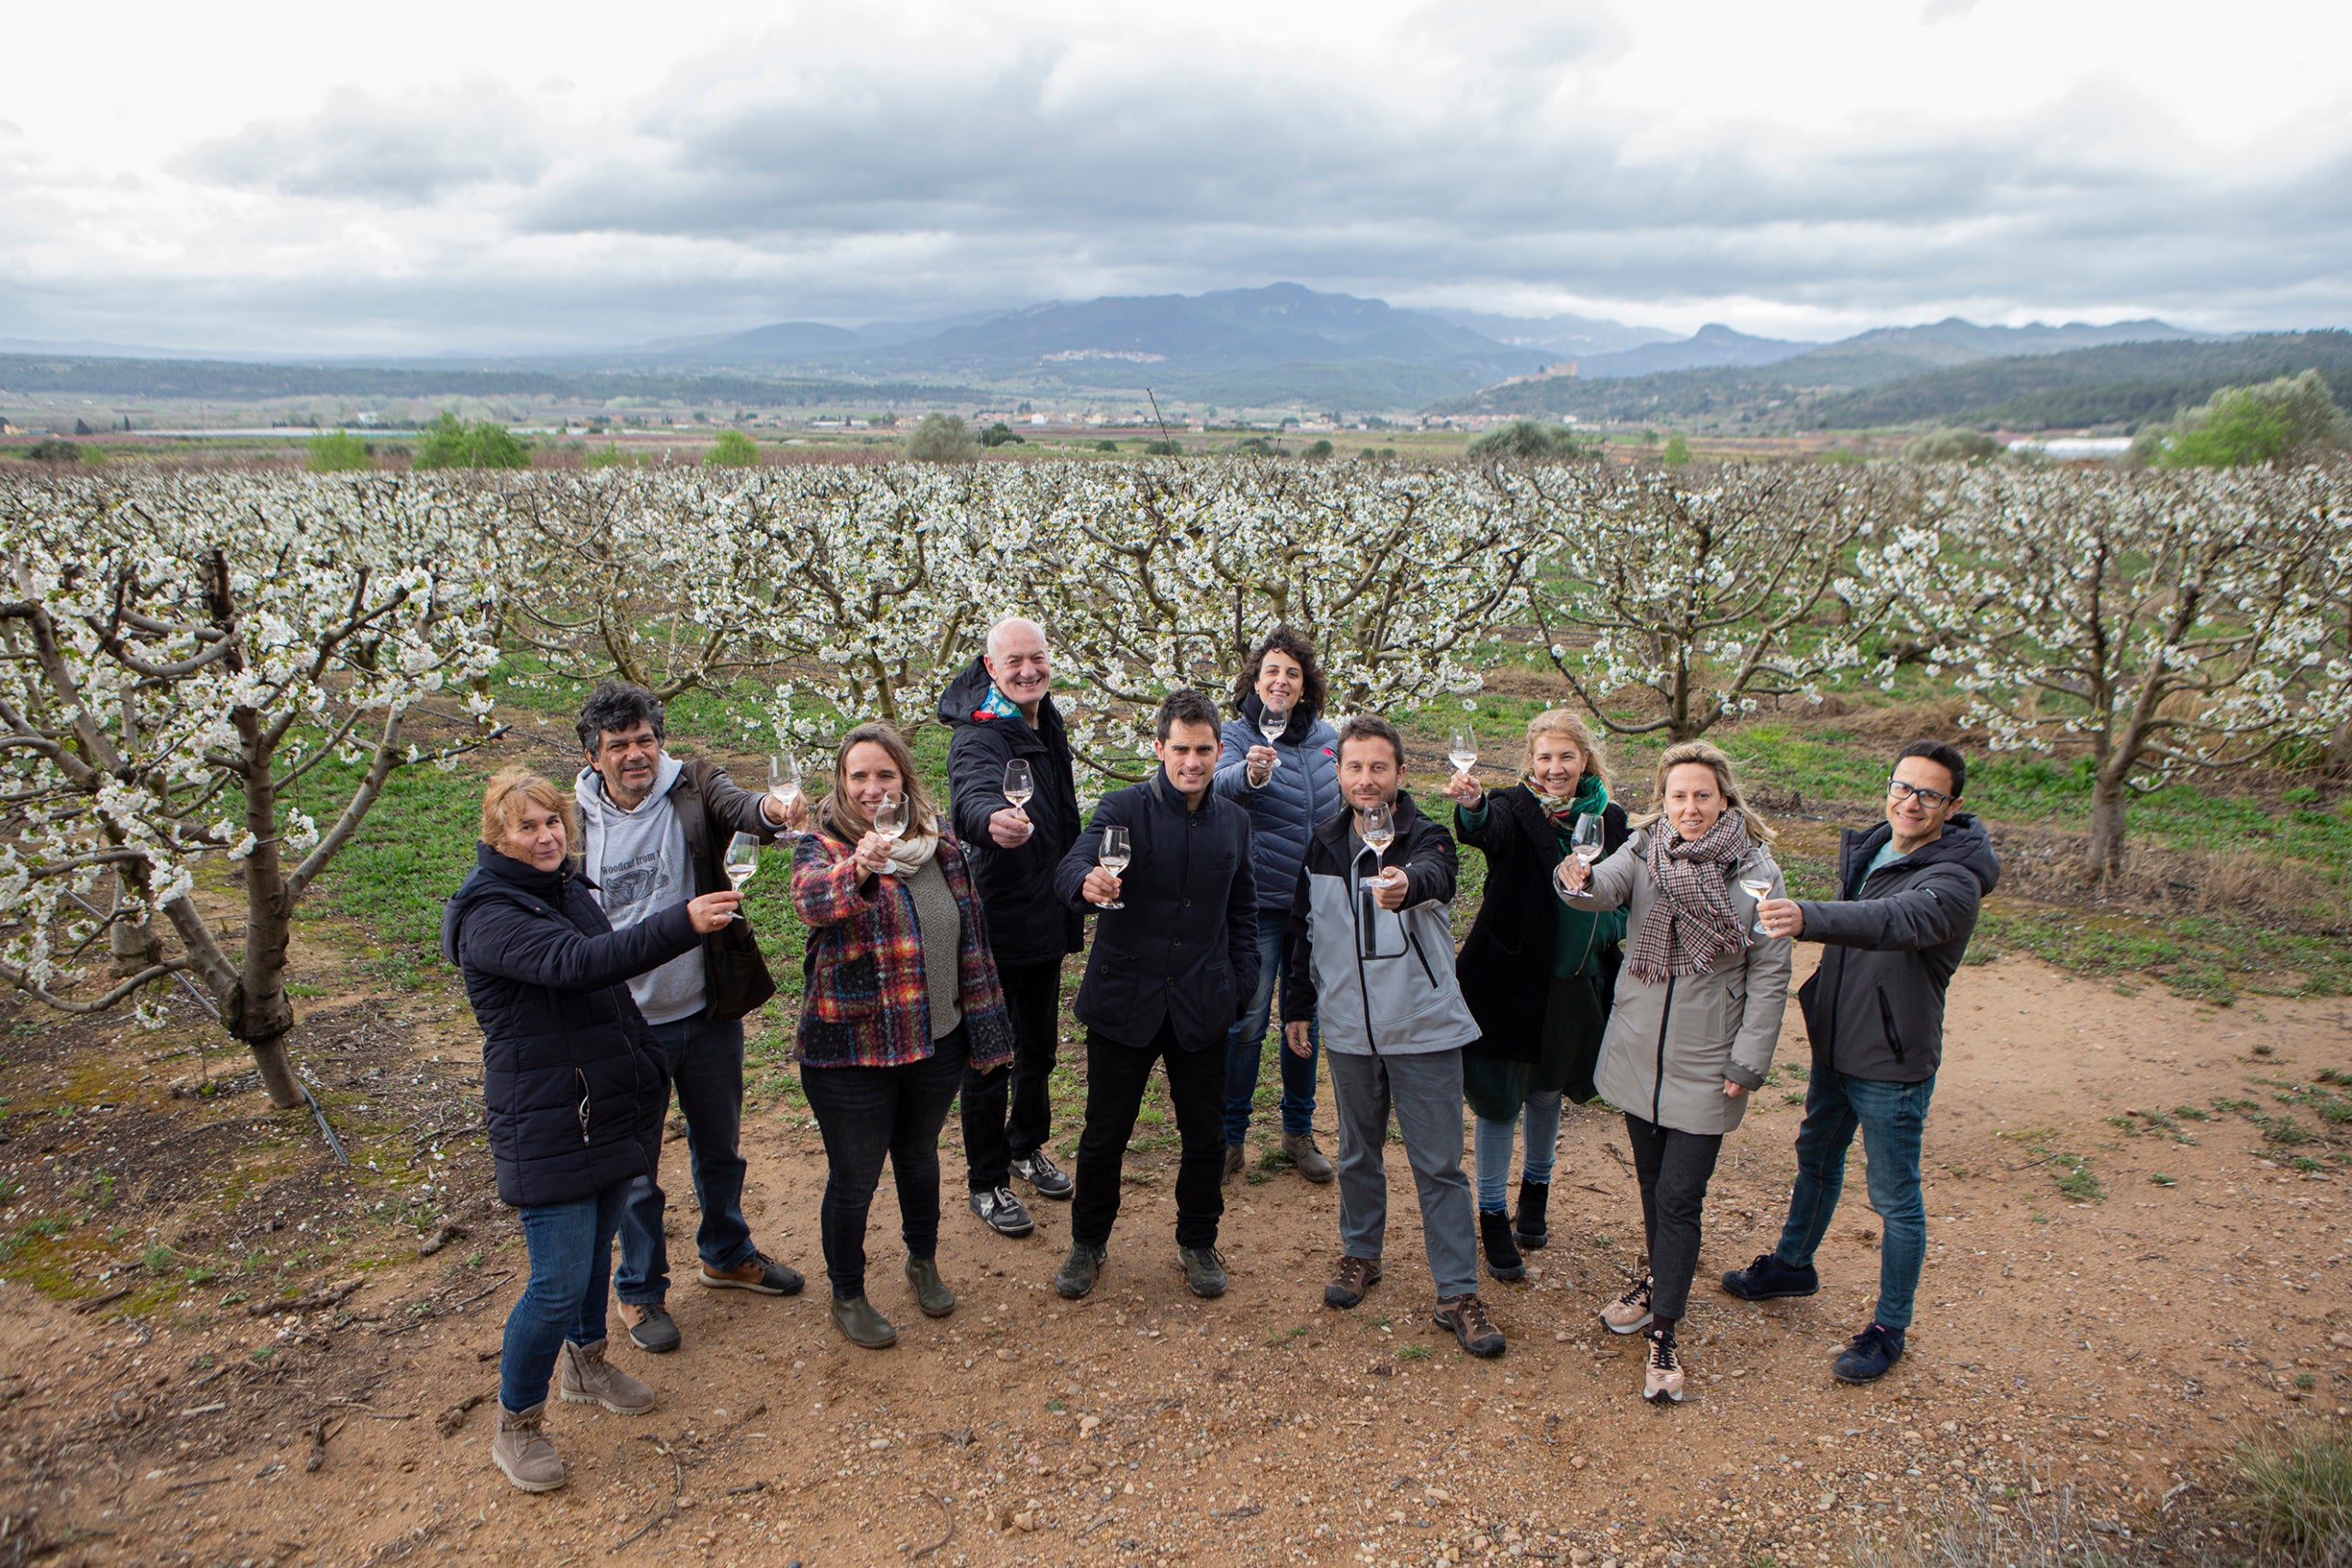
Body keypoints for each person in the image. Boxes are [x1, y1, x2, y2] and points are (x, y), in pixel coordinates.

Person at [442, 768, 742, 1493]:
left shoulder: (564, 887)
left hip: (605, 1102)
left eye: (552, 822)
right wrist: (681, 922)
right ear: (497, 837)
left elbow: (605, 996)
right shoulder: (489, 914)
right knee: (555, 1278)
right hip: (549, 1115)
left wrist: (639, 1064)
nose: (546, 837)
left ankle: (585, 1361)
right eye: (527, 827)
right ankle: (517, 1423)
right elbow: (578, 965)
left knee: (597, 1248)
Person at [1723, 739, 1998, 1383]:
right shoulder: (1879, 845)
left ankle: (1889, 1326)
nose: (1911, 801)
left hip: (1893, 1058)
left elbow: (1892, 920)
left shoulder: (1956, 878)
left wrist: (1806, 916)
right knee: (1816, 1157)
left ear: (1953, 805)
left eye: (1929, 793)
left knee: (1895, 1195)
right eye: (1903, 786)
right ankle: (1794, 1264)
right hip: (1839, 1044)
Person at [572, 681, 809, 1357]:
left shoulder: (694, 783)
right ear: (594, 756)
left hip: (705, 1010)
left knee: (720, 1147)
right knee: (636, 1169)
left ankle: (726, 1252)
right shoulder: (574, 819)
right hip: (622, 1022)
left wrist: (771, 807)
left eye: (645, 739)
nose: (636, 753)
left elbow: (744, 808)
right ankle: (640, 1288)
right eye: (619, 745)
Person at [1558, 739, 1791, 1403]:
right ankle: (1662, 1278)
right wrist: (1574, 878)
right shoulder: (1646, 847)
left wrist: (1749, 1060)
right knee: (1655, 1184)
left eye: (1702, 796)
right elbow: (1602, 890)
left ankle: (1665, 1331)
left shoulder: (1755, 871)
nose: (1689, 807)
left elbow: (1770, 973)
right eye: (1679, 795)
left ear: (1725, 799)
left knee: (1680, 1198)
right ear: (1664, 798)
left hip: (1706, 1062)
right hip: (1637, 1049)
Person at [790, 723, 1018, 1348]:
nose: (872, 788)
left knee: (918, 1157)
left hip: (937, 1038)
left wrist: (983, 1023)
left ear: (904, 780)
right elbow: (811, 903)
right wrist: (859, 869)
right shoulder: (823, 846)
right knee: (855, 1175)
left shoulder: (936, 844)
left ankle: (923, 1260)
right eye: (859, 775)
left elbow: (970, 934)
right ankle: (847, 1292)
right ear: (841, 782)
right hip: (852, 1050)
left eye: (884, 775)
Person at [1283, 715, 1502, 1358]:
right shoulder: (1320, 842)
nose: (1367, 779)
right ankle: (1361, 1252)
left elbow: (1440, 876)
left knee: (1438, 1164)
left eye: (1379, 767)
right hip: (1350, 1029)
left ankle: (1458, 1289)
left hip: (1423, 1029)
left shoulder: (1426, 836)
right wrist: (1298, 1004)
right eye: (1355, 767)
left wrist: (1407, 886)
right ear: (1340, 772)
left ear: (1401, 773)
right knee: (1357, 1153)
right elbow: (1303, 932)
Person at [1051, 689, 1259, 1302]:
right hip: (1124, 1000)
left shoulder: (1236, 822)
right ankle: (1087, 1241)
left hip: (1202, 1002)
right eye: (1180, 749)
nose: (1191, 762)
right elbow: (1071, 866)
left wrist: (1241, 986)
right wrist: (1085, 882)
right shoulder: (1123, 807)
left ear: (1219, 752)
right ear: (1160, 748)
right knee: (1104, 1133)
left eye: (1202, 750)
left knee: (1205, 1136)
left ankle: (1197, 1239)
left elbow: (1243, 913)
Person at [1445, 709, 1629, 1284]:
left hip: (1573, 982)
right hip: (1507, 982)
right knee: (1500, 1103)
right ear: (1531, 761)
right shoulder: (1511, 807)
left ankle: (1537, 1195)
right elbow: (1482, 829)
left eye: (1566, 757)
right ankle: (1493, 1214)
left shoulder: (1611, 819)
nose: (1555, 769)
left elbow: (1623, 891)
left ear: (1585, 760)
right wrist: (1472, 804)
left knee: (1547, 1093)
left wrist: (1609, 926)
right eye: (1544, 758)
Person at [938, 616, 1085, 1238]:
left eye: (1038, 658)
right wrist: (993, 819)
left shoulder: (1041, 715)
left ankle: (1025, 1145)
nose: (1028, 670)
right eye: (1015, 661)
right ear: (990, 667)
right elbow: (971, 796)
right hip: (999, 919)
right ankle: (987, 1180)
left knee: (1040, 1049)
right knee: (991, 1058)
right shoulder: (979, 733)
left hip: (1045, 911)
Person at [1212, 626, 1340, 1184]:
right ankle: (1230, 1136)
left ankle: (1297, 1132)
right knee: (1245, 1023)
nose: (1281, 681)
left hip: (1316, 904)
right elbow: (1213, 786)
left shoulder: (1329, 738)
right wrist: (1251, 774)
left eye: (1292, 672)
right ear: (1256, 681)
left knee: (1303, 1019)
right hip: (1261, 902)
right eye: (1272, 672)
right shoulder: (1236, 734)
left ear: (1305, 683)